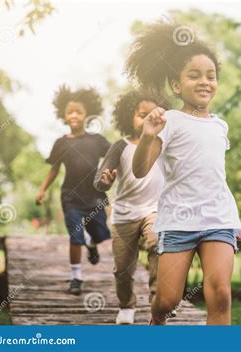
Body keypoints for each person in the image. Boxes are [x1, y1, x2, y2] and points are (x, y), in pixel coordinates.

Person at [127, 22, 241, 325]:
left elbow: (215, 177)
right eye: (194, 76)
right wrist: (147, 136)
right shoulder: (170, 120)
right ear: (177, 85)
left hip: (217, 219)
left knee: (220, 294)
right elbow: (140, 170)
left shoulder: (221, 126)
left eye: (211, 76)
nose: (204, 81)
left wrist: (233, 218)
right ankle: (157, 320)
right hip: (179, 219)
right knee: (168, 300)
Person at [93, 89, 170, 324]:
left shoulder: (165, 145)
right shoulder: (120, 145)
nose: (147, 119)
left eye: (152, 114)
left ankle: (160, 300)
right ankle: (126, 305)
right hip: (124, 213)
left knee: (158, 243)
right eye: (141, 114)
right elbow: (99, 179)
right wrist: (105, 180)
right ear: (129, 117)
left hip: (154, 210)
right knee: (123, 268)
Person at [36, 85, 111, 295]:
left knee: (103, 234)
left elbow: (115, 154)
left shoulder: (96, 140)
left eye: (79, 111)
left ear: (87, 114)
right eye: (70, 112)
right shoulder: (61, 143)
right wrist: (42, 189)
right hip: (70, 197)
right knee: (75, 236)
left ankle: (92, 242)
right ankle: (76, 278)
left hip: (95, 196)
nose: (75, 115)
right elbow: (54, 170)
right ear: (64, 116)